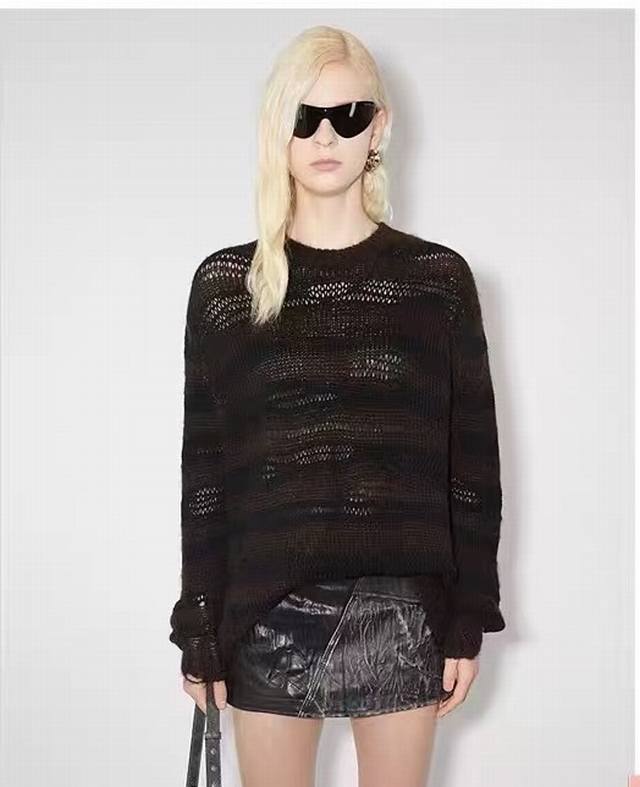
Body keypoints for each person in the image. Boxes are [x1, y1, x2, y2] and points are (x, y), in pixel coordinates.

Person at [169, 24, 506, 787]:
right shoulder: (227, 289)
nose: (326, 136)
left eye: (347, 116)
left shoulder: (435, 283)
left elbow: (472, 465)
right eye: (305, 117)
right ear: (278, 129)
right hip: (264, 612)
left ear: (378, 127)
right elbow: (207, 474)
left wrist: (468, 612)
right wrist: (199, 622)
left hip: (399, 610)